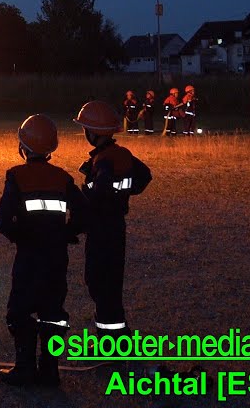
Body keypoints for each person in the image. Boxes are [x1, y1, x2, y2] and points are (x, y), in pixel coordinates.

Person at [0, 114, 88, 387]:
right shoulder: (62, 177)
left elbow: (3, 219)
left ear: (22, 146)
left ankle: (24, 368)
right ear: (52, 147)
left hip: (29, 257)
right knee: (54, 313)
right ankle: (50, 371)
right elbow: (84, 213)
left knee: (19, 311)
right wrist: (67, 233)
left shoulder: (16, 176)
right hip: (56, 257)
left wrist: (19, 236)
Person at [74, 100, 153, 336]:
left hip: (102, 229)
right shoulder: (121, 154)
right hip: (116, 226)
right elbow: (144, 176)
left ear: (93, 133)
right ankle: (114, 338)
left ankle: (112, 343)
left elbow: (98, 194)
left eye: (86, 129)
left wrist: (86, 199)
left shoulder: (104, 161)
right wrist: (123, 191)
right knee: (110, 283)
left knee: (99, 282)